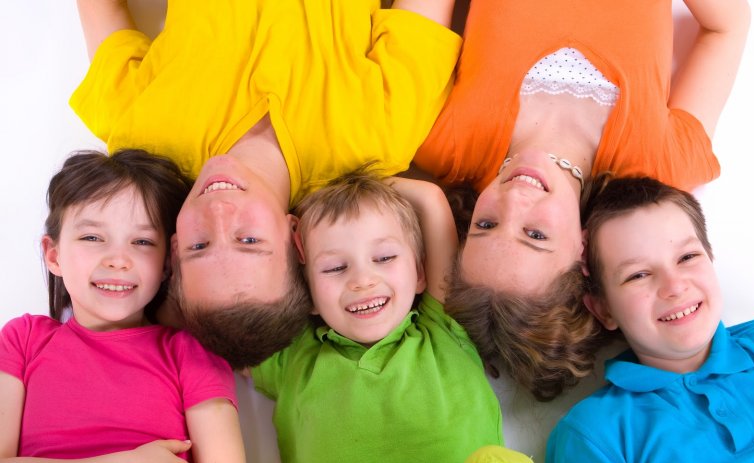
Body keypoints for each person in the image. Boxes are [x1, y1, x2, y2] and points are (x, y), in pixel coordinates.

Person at [70, 0, 462, 368]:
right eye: (249, 241)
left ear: (174, 248)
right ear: (296, 237)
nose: (219, 214)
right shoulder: (380, 134)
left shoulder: (137, 135)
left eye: (198, 245)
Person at [413, 0, 751, 400]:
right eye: (535, 234)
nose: (515, 200)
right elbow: (726, 28)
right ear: (583, 250)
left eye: (486, 225)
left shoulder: (442, 143)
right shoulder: (661, 164)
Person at [251, 172, 563, 463]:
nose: (362, 280)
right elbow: (229, 310)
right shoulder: (292, 358)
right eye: (335, 267)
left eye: (384, 258)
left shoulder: (443, 326)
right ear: (306, 293)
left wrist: (325, 179)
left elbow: (430, 201)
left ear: (419, 272)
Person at [0, 150, 248, 463]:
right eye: (92, 238)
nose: (118, 259)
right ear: (53, 255)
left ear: (167, 262)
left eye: (142, 242)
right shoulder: (23, 341)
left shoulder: (190, 352)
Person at [545, 176, 754, 463]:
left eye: (687, 257)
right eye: (638, 275)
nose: (674, 286)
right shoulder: (595, 434)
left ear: (711, 258)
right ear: (604, 309)